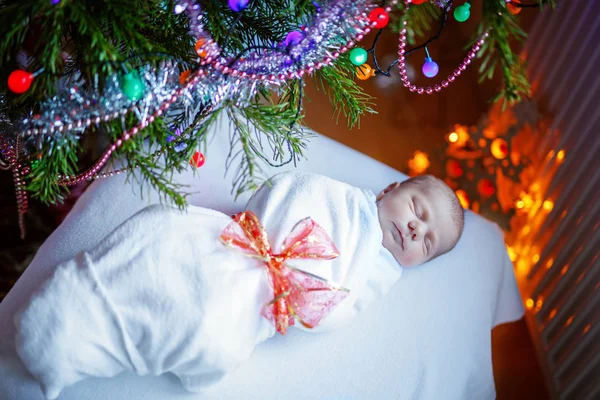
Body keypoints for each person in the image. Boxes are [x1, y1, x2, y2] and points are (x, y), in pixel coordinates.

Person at [14, 171, 464, 399]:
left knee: (213, 339)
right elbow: (293, 189)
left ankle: (82, 349)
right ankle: (75, 305)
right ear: (390, 189)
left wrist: (294, 290)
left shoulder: (377, 276)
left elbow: (339, 309)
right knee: (163, 251)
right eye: (417, 210)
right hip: (240, 245)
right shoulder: (344, 200)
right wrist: (277, 247)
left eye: (427, 243)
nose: (414, 230)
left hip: (264, 303)